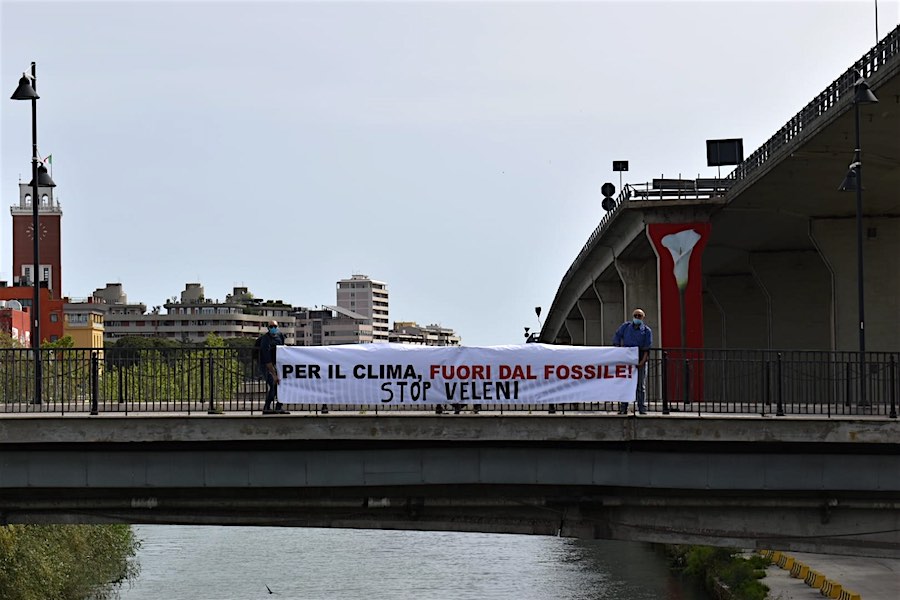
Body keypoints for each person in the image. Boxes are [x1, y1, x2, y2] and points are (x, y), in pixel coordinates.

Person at [612, 308, 653, 415]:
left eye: (639, 316)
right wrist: (620, 350)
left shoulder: (647, 331)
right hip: (627, 360)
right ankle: (623, 407)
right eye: (636, 315)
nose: (637, 318)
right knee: (625, 384)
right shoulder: (625, 327)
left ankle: (641, 408)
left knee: (640, 386)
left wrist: (642, 362)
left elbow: (647, 349)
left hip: (640, 359)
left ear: (643, 317)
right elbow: (617, 337)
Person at [258, 320, 290, 415]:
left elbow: (283, 349)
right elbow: (267, 360)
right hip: (266, 364)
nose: (273, 328)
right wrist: (274, 374)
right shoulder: (265, 339)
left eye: (275, 326)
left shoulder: (280, 336)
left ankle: (279, 407)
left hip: (277, 363)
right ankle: (267, 407)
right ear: (268, 328)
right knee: (273, 384)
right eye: (271, 327)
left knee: (283, 384)